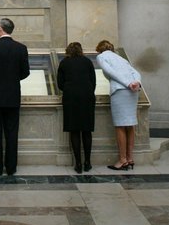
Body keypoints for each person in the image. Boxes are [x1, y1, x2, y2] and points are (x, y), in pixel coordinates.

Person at [0, 17, 30, 176]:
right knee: (11, 132)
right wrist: (13, 79)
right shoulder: (21, 48)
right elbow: (25, 72)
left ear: (1, 29)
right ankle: (11, 167)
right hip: (13, 96)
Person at [95, 39, 142, 170]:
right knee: (130, 124)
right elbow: (135, 72)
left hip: (120, 90)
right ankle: (130, 158)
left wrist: (127, 83)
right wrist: (136, 82)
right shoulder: (120, 58)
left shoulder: (101, 56)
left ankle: (122, 160)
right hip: (133, 92)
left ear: (99, 49)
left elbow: (110, 72)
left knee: (120, 125)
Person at [57, 41, 96, 173]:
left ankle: (78, 163)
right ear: (80, 50)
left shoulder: (64, 63)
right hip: (87, 97)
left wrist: (69, 89)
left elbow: (60, 83)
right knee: (86, 131)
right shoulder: (88, 61)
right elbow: (93, 81)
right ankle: (88, 162)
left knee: (74, 131)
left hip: (71, 98)